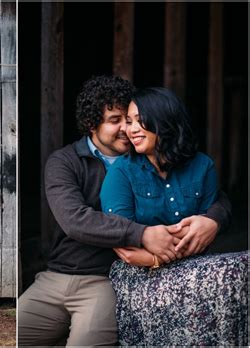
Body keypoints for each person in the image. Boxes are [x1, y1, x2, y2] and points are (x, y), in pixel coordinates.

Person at [17, 76, 231, 346]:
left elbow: (212, 195)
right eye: (116, 120)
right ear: (92, 123)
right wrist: (142, 234)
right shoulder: (65, 162)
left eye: (131, 119)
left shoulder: (151, 155)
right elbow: (75, 220)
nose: (127, 129)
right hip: (57, 275)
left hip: (106, 278)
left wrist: (214, 219)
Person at [100, 87, 247, 345]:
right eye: (129, 122)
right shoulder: (122, 171)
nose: (130, 129)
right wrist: (159, 257)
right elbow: (125, 248)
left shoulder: (202, 166)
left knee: (243, 267)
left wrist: (208, 225)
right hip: (139, 274)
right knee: (230, 274)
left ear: (164, 120)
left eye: (139, 120)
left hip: (196, 268)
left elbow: (204, 233)